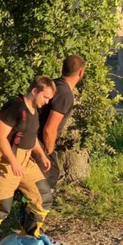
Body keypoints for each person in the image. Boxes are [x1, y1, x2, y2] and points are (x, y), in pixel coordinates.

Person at [0, 77, 56, 245]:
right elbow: (0, 136)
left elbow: (30, 137)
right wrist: (13, 162)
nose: (47, 102)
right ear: (35, 91)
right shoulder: (15, 107)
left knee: (43, 198)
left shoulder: (35, 110)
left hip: (27, 161)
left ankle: (30, 237)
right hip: (8, 161)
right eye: (45, 97)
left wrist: (41, 155)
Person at [38, 55, 86, 190]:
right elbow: (49, 129)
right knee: (49, 179)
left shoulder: (54, 84)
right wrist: (49, 152)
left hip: (31, 140)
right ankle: (32, 210)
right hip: (39, 143)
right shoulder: (65, 94)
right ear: (81, 72)